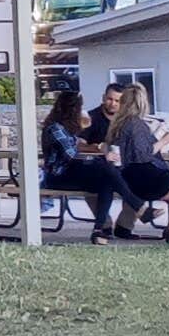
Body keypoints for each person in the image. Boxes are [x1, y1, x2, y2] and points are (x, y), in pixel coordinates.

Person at [39, 85, 126, 239]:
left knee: (107, 179)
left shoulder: (66, 127)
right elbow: (72, 155)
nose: (81, 111)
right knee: (106, 170)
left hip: (72, 172)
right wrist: (99, 151)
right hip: (58, 176)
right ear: (71, 109)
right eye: (79, 107)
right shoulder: (55, 128)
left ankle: (99, 230)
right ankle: (138, 205)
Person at [104, 83, 169, 240]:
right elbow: (143, 154)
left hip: (124, 173)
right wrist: (165, 141)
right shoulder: (137, 124)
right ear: (142, 103)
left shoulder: (118, 123)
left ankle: (124, 226)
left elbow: (135, 147)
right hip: (140, 176)